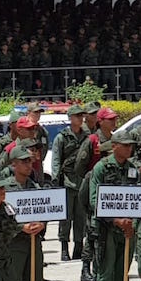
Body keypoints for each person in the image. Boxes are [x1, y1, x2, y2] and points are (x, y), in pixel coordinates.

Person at [89, 132, 141, 281]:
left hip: (128, 229)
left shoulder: (133, 169)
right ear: (114, 146)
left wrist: (132, 224)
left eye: (131, 145)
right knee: (106, 270)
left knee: (123, 271)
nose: (129, 148)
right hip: (107, 228)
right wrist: (116, 220)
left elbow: (139, 198)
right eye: (125, 145)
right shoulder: (102, 168)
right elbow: (94, 199)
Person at [4, 145, 48, 281]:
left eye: (30, 161)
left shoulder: (34, 187)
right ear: (13, 164)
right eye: (24, 161)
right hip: (14, 243)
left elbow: (45, 210)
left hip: (33, 241)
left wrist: (42, 224)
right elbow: (1, 217)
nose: (29, 165)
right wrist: (21, 227)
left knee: (34, 280)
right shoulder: (6, 188)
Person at [51, 104, 89, 261]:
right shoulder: (62, 137)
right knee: (65, 218)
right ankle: (64, 248)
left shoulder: (87, 136)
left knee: (80, 218)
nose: (80, 118)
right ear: (70, 118)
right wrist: (55, 180)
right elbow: (56, 160)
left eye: (82, 116)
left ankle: (78, 247)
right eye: (77, 116)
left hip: (82, 182)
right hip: (66, 181)